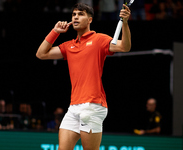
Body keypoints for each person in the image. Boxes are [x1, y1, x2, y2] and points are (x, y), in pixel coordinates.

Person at [36, 3, 131, 150]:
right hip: (74, 106)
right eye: (74, 14)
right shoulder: (69, 46)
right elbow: (41, 54)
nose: (75, 17)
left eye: (80, 14)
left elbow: (124, 47)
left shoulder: (99, 40)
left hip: (92, 106)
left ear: (90, 20)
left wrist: (124, 23)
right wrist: (55, 31)